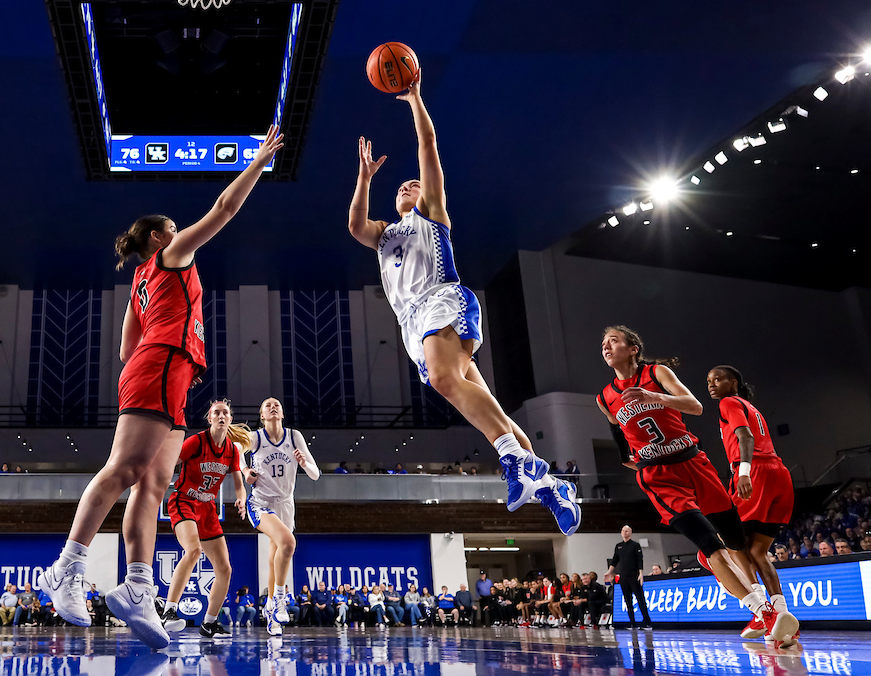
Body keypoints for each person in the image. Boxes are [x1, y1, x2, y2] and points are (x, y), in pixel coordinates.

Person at [36, 126, 283, 650]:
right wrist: (258, 162)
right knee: (123, 471)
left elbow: (125, 347)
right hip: (161, 366)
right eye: (172, 226)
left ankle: (139, 587)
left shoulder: (140, 283)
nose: (179, 230)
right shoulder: (171, 257)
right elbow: (224, 209)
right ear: (158, 238)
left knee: (153, 486)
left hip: (166, 370)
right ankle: (65, 569)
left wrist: (161, 347)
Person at [347, 76, 579, 535]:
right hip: (413, 326)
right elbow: (355, 223)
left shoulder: (432, 215)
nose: (409, 186)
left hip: (443, 299)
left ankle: (515, 459)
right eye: (403, 187)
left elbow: (428, 146)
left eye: (413, 185)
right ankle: (552, 486)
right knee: (488, 409)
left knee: (444, 379)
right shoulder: (383, 235)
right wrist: (364, 178)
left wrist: (415, 100)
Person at [597, 326, 798, 646]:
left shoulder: (656, 372)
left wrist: (652, 395)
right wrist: (631, 459)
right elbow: (618, 434)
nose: (606, 347)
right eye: (603, 344)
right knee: (710, 545)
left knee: (738, 544)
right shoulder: (605, 396)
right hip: (659, 476)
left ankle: (771, 614)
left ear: (633, 348)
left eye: (614, 341)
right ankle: (766, 612)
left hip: (693, 463)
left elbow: (695, 406)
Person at [708, 365, 799, 645]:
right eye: (708, 381)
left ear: (733, 383)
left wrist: (744, 471)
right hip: (780, 474)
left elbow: (745, 437)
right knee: (758, 552)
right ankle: (784, 621)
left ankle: (763, 613)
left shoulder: (729, 402)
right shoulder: (750, 405)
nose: (711, 385)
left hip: (754, 472)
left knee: (722, 545)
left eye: (717, 379)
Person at [160, 398, 248, 640]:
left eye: (225, 413)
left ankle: (209, 623)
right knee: (194, 550)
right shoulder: (196, 441)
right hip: (184, 500)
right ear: (209, 418)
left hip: (207, 509)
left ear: (230, 419)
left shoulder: (231, 449)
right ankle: (169, 610)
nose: (221, 416)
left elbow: (239, 485)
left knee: (225, 569)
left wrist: (241, 499)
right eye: (216, 412)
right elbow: (170, 463)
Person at [241, 396, 320, 636]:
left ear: (283, 414)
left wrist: (304, 462)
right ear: (262, 415)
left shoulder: (294, 436)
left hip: (286, 504)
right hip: (260, 503)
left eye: (277, 405)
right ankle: (280, 599)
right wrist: (245, 470)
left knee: (277, 553)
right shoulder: (255, 438)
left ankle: (270, 612)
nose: (273, 407)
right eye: (267, 405)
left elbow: (315, 474)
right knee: (288, 543)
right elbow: (233, 450)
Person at [604, 525, 651, 629]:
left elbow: (640, 560)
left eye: (627, 531)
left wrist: (640, 573)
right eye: (623, 531)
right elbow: (614, 560)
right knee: (627, 600)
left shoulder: (635, 545)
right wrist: (609, 572)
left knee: (640, 599)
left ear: (630, 533)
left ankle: (647, 622)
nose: (625, 532)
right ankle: (632, 622)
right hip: (623, 576)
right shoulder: (618, 546)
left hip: (633, 575)